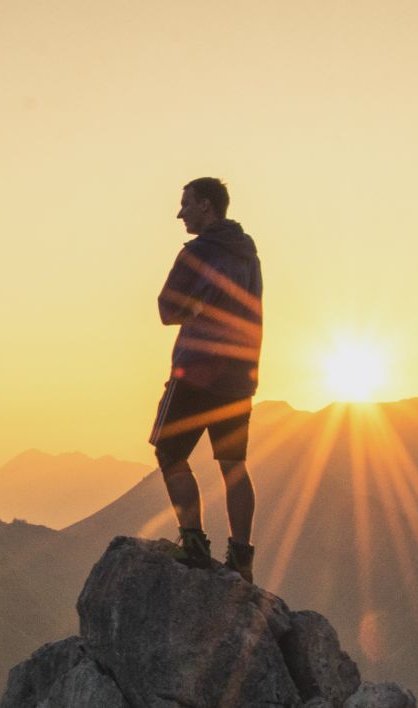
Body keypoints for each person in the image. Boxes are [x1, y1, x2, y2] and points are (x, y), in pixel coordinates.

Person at [151, 177, 262, 582]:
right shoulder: (249, 255)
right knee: (234, 465)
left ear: (206, 205)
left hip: (197, 368)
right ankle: (242, 557)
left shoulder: (196, 253)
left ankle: (194, 544)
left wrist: (196, 307)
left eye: (186, 204)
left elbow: (167, 309)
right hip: (239, 374)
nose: (180, 213)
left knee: (169, 452)